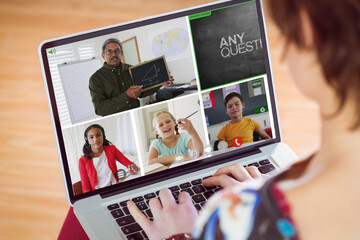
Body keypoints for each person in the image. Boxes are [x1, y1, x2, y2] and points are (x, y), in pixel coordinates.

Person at [127, 0, 360, 239]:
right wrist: (262, 191)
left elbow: (198, 150)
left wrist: (181, 234)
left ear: (308, 34)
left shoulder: (228, 218)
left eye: (284, 31)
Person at [89, 38, 174, 116]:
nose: (114, 54)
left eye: (117, 50)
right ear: (103, 55)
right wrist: (126, 95)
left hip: (137, 113)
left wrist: (160, 83)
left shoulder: (131, 69)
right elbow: (100, 109)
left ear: (121, 53)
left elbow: (142, 92)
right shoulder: (95, 79)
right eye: (109, 51)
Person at [78, 124, 139, 193]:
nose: (95, 139)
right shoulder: (83, 161)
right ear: (87, 140)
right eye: (91, 137)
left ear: (103, 136)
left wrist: (133, 168)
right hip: (99, 195)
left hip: (116, 190)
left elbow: (129, 164)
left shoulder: (112, 149)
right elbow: (86, 189)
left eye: (98, 135)